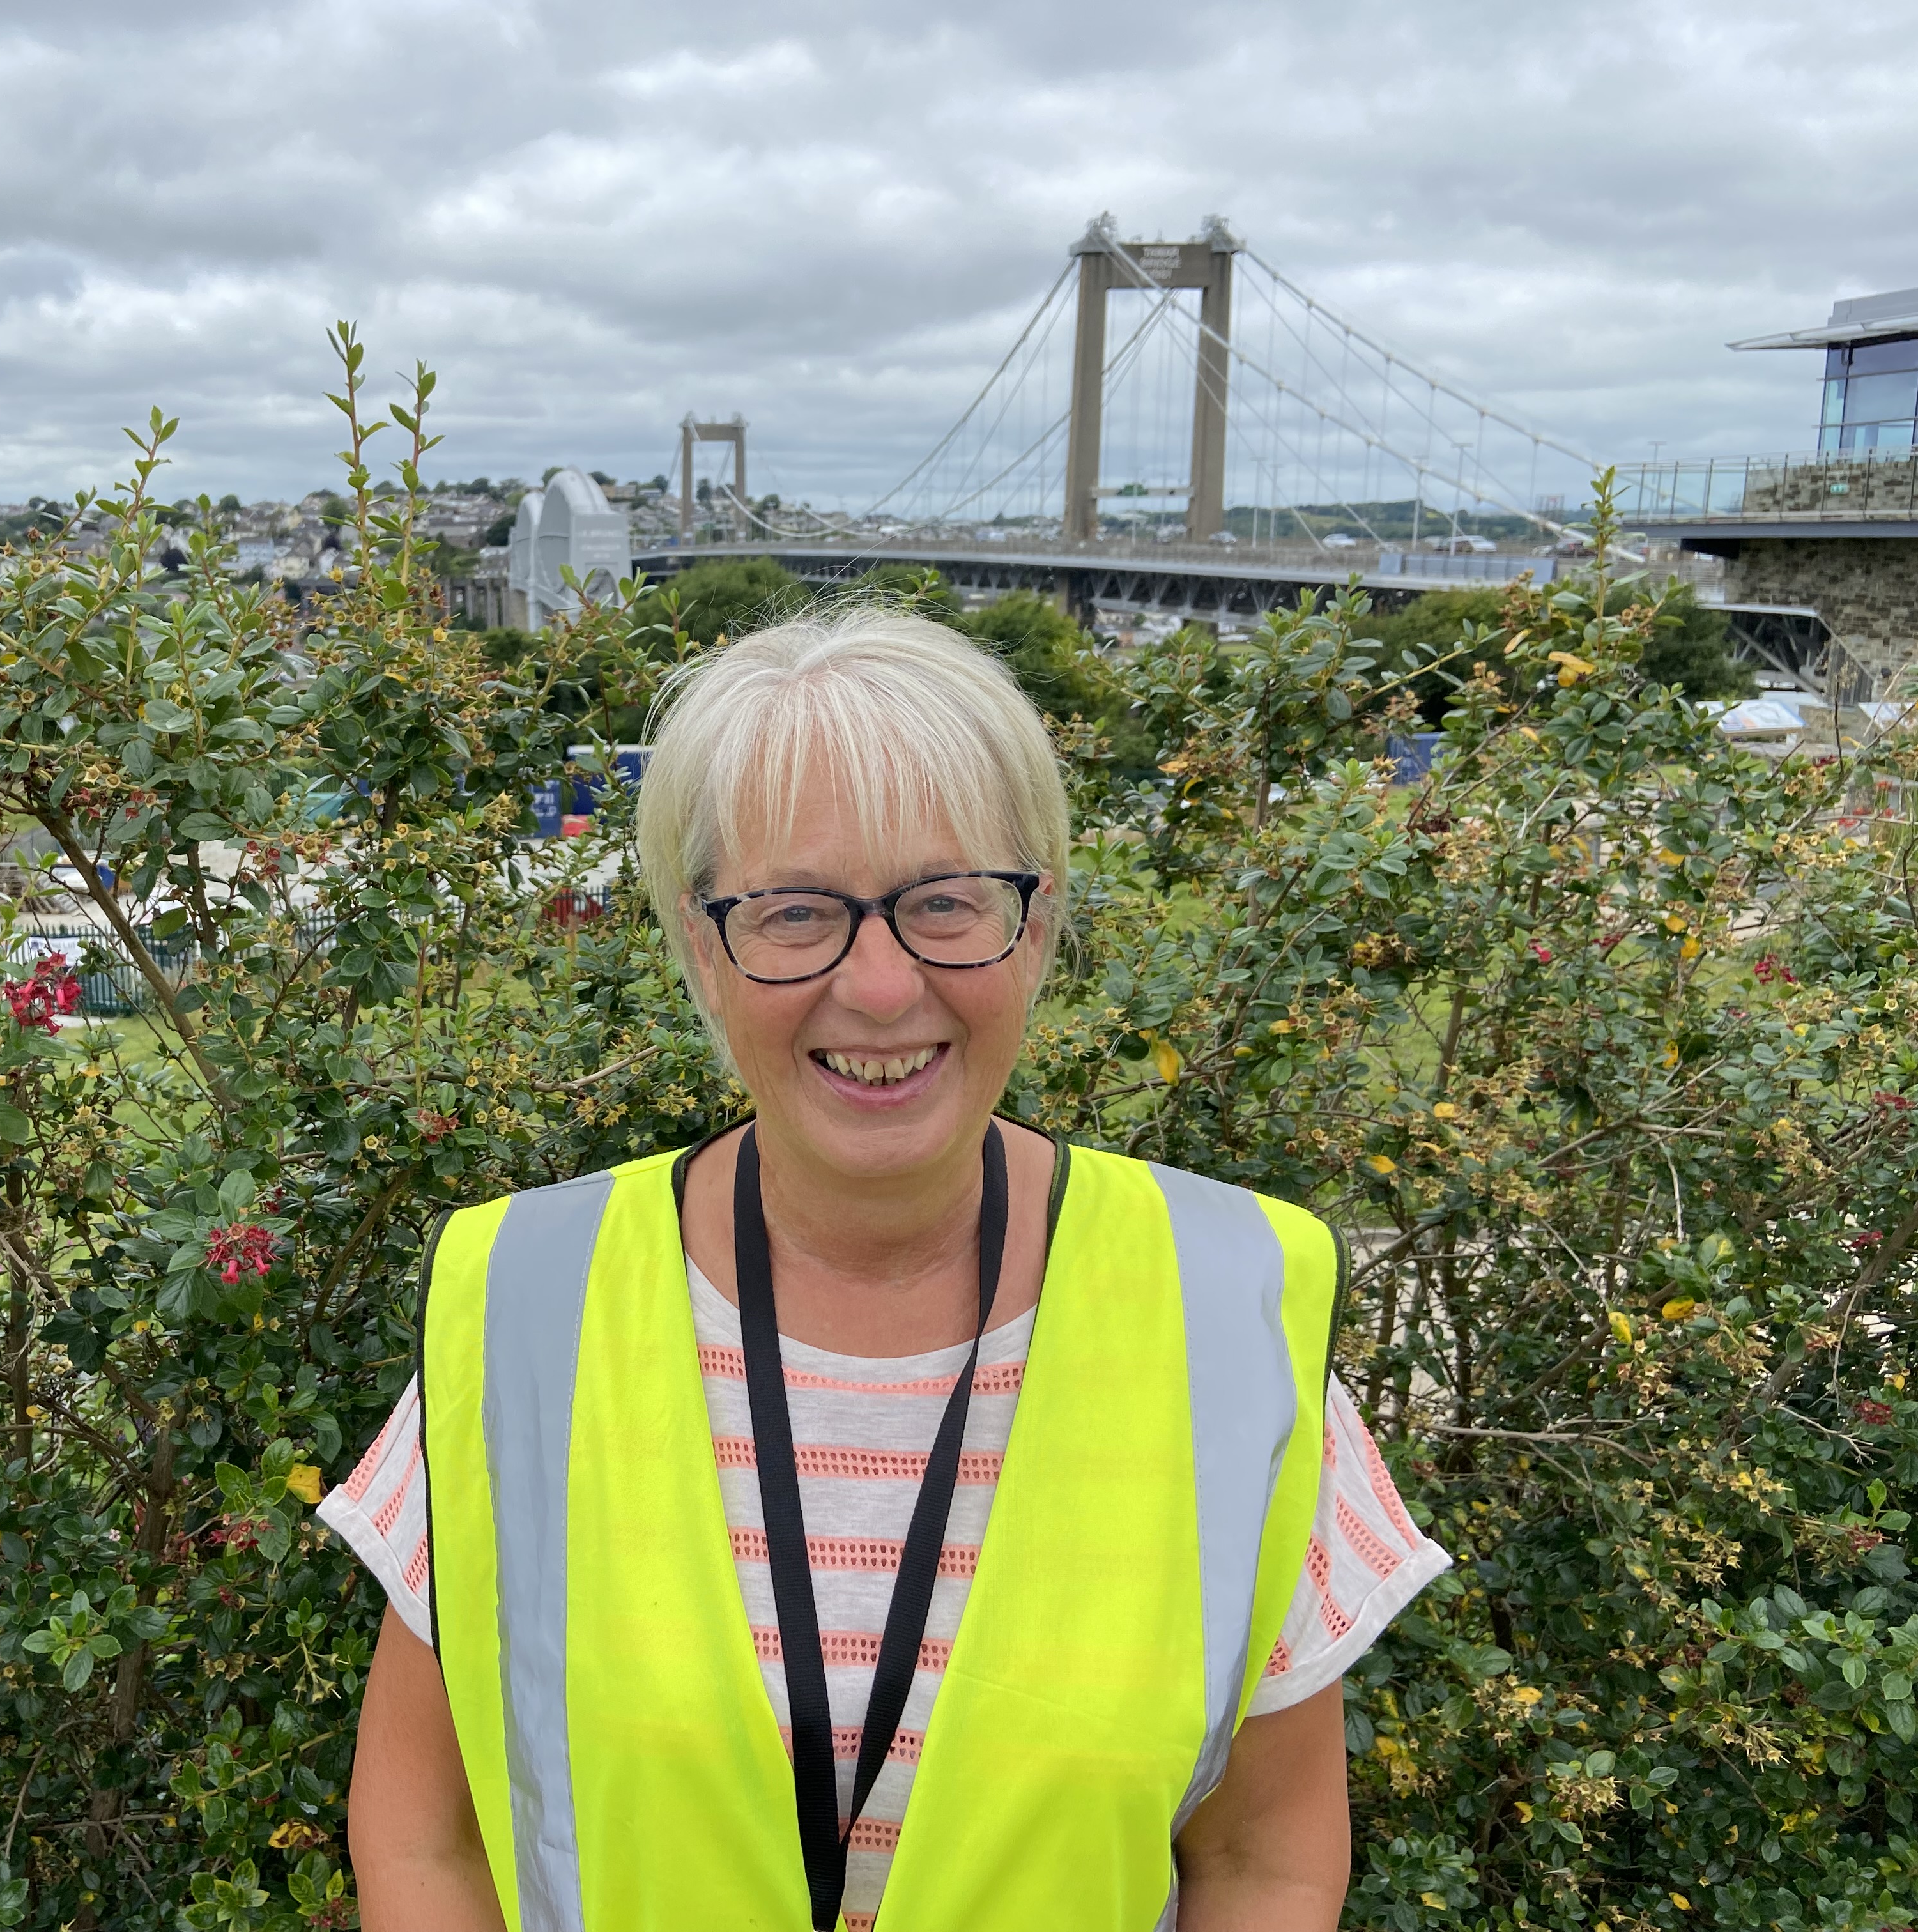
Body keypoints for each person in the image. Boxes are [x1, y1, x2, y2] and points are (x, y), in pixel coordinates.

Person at [322, 608, 1448, 1931]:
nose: (877, 985)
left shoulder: (1228, 1320)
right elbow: (424, 1836)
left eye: (944, 902)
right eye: (796, 912)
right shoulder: (526, 1310)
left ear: (1037, 927)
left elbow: (1265, 1860)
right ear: (702, 943)